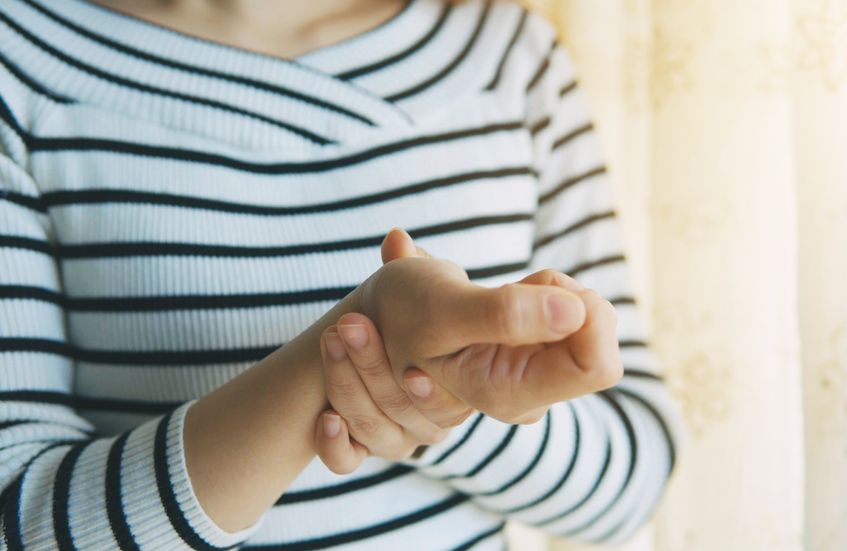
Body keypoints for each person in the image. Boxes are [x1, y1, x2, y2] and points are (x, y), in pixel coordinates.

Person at [0, 0, 684, 548]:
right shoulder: (21, 58)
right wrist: (360, 352)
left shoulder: (509, 56)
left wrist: (450, 390)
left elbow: (634, 474)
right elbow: (15, 517)